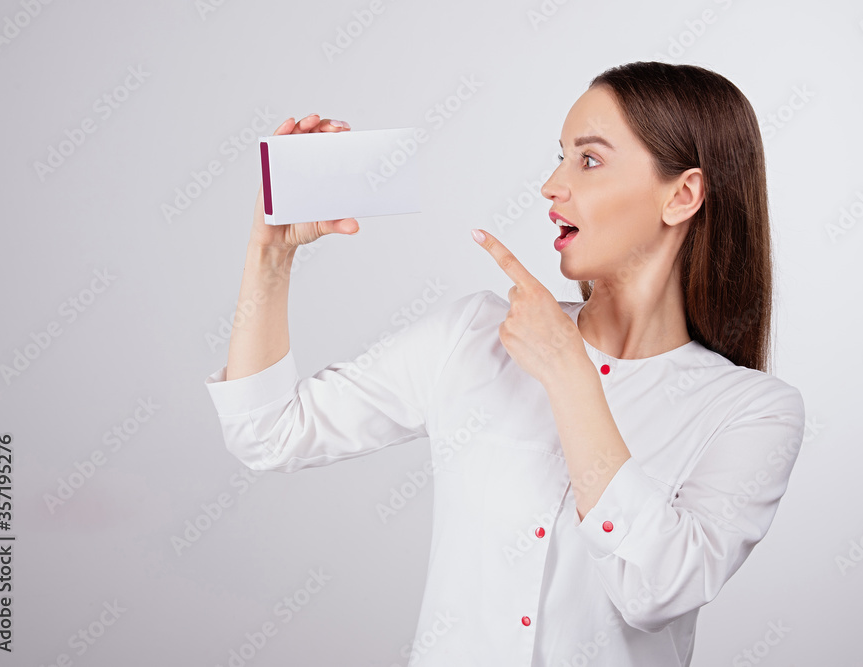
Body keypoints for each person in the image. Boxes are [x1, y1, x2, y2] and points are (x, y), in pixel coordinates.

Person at [204, 61, 806, 667]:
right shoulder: (473, 337)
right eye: (560, 156)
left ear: (681, 195)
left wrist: (568, 373)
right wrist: (270, 256)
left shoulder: (753, 411)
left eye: (588, 160)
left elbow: (657, 590)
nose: (551, 184)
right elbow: (267, 432)